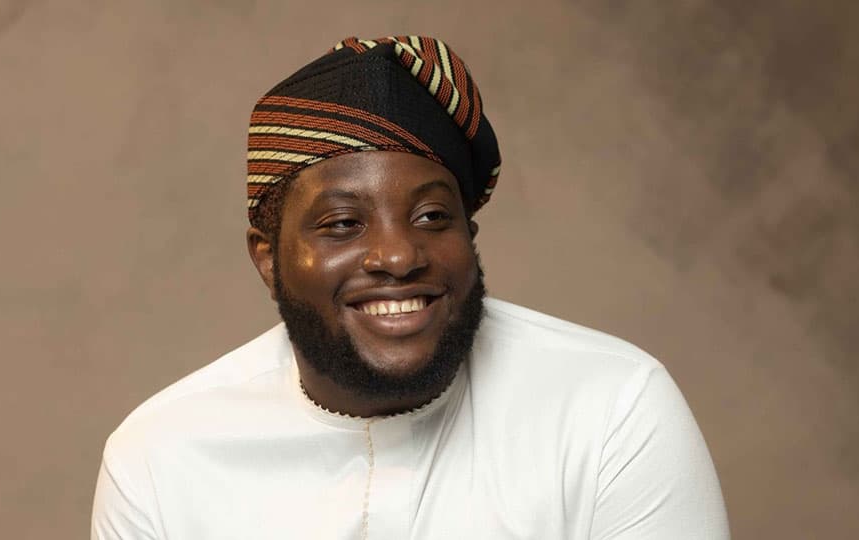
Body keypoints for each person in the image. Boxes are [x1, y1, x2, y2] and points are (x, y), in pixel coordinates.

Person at [91, 35, 730, 539]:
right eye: (342, 223)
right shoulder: (161, 458)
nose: (399, 255)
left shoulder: (609, 409)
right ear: (268, 258)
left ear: (469, 234)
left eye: (431, 217)